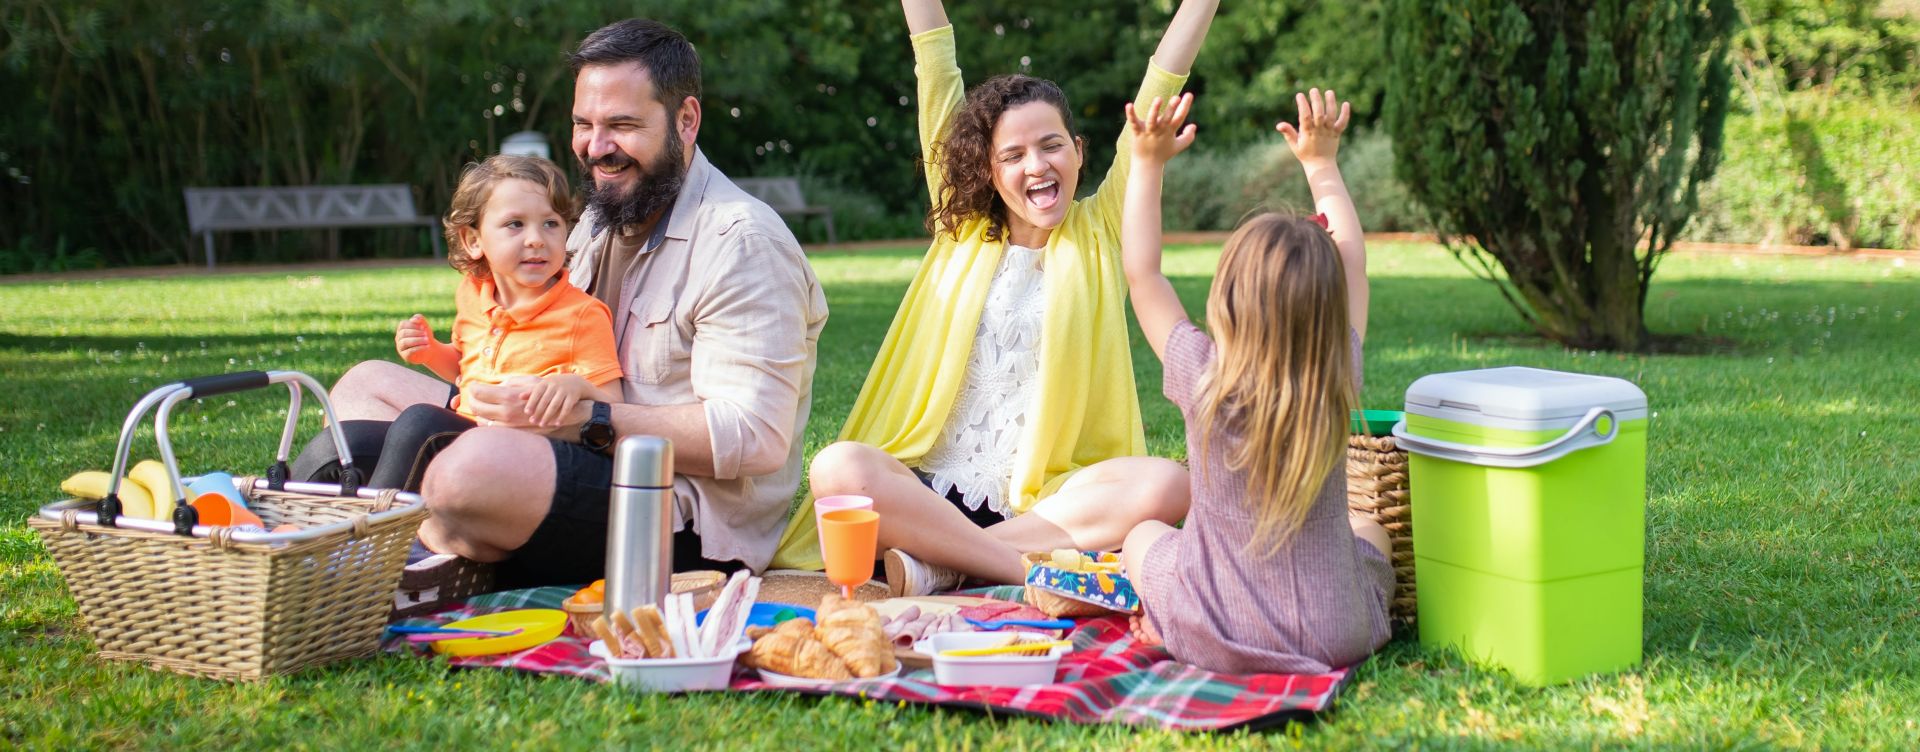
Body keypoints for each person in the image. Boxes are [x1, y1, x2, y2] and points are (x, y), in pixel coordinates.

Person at [297, 19, 828, 590]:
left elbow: (756, 437)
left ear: (686, 120)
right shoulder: (600, 217)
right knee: (363, 388)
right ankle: (326, 544)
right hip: (555, 439)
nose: (597, 148)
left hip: (672, 513)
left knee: (463, 472)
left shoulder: (741, 242)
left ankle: (403, 559)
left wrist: (591, 419)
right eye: (584, 125)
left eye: (622, 125)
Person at [787, 0, 1219, 595]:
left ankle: (945, 564)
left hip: (1041, 505)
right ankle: (1024, 570)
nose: (1035, 166)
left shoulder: (1103, 231)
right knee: (838, 466)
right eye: (1012, 156)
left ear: (1080, 151)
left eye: (1051, 145)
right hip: (924, 489)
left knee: (1170, 483)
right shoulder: (960, 224)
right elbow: (935, 61)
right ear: (988, 172)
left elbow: (1160, 85)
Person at [1116, 89, 1394, 674]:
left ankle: (1162, 622)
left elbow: (1143, 276)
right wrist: (1321, 165)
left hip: (1210, 627)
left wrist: (1146, 164)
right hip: (1334, 632)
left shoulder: (1202, 374)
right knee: (1369, 528)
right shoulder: (1335, 368)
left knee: (1142, 535)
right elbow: (1353, 264)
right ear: (1328, 308)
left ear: (1228, 298)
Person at [344, 154, 622, 494]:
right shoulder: (473, 294)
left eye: (551, 223)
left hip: (526, 456)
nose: (536, 238)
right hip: (468, 433)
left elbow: (614, 400)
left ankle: (372, 535)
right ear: (473, 241)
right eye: (515, 224)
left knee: (421, 423)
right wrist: (430, 352)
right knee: (350, 440)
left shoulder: (581, 314)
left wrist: (575, 387)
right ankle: (289, 528)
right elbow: (465, 369)